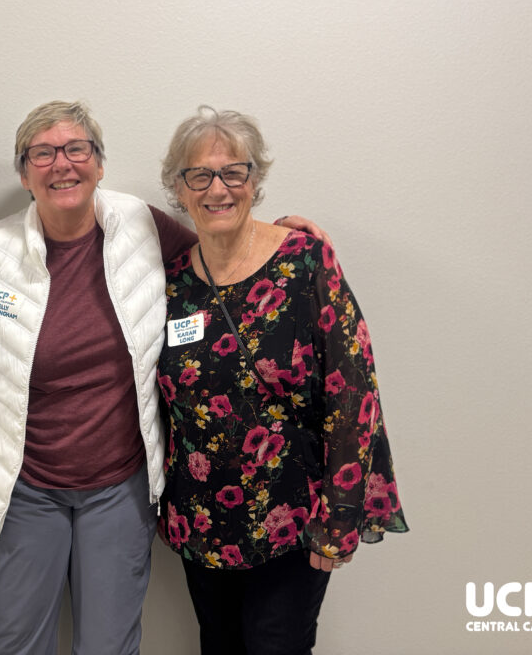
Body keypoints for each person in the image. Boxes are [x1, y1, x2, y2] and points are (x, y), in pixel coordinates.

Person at [0, 100, 324, 655]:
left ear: (99, 163)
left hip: (118, 485)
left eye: (77, 149)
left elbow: (219, 252)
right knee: (16, 643)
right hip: (21, 483)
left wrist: (276, 237)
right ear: (24, 173)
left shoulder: (142, 226)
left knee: (110, 647)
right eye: (43, 153)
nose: (63, 163)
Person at [156, 106, 408, 655]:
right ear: (178, 188)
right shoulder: (171, 280)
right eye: (199, 175)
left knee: (276, 645)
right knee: (218, 646)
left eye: (233, 172)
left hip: (292, 513)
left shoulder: (305, 261)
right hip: (201, 517)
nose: (217, 188)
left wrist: (340, 515)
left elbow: (354, 392)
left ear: (255, 180)